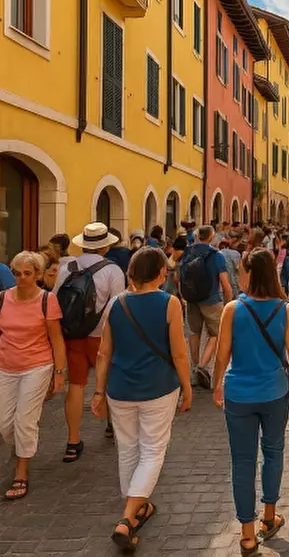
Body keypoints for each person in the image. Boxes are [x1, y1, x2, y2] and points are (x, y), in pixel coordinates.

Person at [90, 247, 192, 551]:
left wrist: (98, 391)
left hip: (120, 389)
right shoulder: (170, 303)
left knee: (128, 449)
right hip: (158, 387)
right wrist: (187, 387)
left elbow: (103, 352)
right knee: (152, 451)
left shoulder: (116, 304)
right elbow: (178, 352)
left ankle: (138, 510)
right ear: (160, 273)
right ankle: (126, 518)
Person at [212, 249, 289, 556]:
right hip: (275, 392)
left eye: (242, 269)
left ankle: (247, 535)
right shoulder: (285, 310)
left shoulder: (232, 309)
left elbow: (222, 354)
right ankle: (268, 517)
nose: (239, 274)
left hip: (239, 393)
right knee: (274, 452)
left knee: (242, 461)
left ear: (252, 273)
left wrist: (217, 386)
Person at [54, 222, 127, 463]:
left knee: (75, 386)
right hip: (101, 334)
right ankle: (111, 426)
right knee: (108, 379)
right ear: (105, 246)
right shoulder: (113, 270)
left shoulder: (67, 267)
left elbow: (55, 300)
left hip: (74, 335)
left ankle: (72, 442)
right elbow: (117, 306)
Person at [0, 252, 66, 500]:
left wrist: (59, 372)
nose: (22, 278)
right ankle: (19, 451)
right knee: (5, 423)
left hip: (37, 366)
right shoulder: (3, 299)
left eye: (28, 273)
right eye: (17, 273)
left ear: (38, 275)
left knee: (24, 420)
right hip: (6, 365)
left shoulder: (47, 300)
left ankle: (21, 472)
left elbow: (56, 339)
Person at [179, 225, 233, 389]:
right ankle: (203, 365)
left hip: (191, 299)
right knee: (216, 333)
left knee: (193, 334)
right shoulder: (216, 255)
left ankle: (195, 369)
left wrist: (183, 296)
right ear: (210, 236)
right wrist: (228, 301)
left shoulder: (187, 252)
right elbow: (225, 283)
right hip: (211, 299)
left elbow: (178, 276)